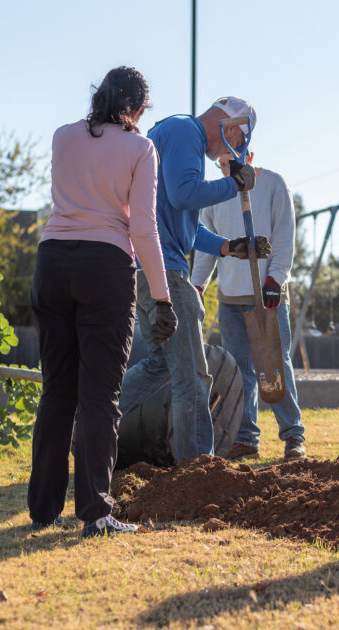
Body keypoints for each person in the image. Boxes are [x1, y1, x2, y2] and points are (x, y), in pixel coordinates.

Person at [29, 66, 177, 538]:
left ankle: (43, 508)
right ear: (135, 107)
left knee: (57, 391)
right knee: (99, 398)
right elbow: (142, 229)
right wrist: (163, 297)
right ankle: (95, 513)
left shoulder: (62, 137)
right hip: (104, 268)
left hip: (52, 263)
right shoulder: (140, 148)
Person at [120, 97, 270, 463]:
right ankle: (197, 468)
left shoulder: (174, 133)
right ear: (231, 125)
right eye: (237, 141)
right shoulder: (187, 131)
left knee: (159, 364)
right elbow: (185, 195)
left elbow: (184, 224)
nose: (232, 150)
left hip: (145, 267)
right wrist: (234, 185)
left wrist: (228, 247)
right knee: (192, 376)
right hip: (164, 271)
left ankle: (90, 413)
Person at [193, 154, 306, 462]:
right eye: (222, 164)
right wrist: (197, 285)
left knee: (274, 364)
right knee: (240, 373)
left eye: (234, 162)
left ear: (250, 155)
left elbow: (284, 235)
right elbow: (207, 245)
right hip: (230, 297)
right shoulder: (215, 194)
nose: (227, 168)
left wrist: (276, 277)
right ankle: (245, 438)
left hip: (266, 293)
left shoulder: (272, 184)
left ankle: (293, 435)